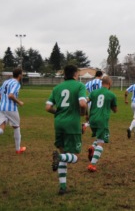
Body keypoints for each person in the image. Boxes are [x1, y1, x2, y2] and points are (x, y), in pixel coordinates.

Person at [46, 64, 87, 195]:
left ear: (64, 74)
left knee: (63, 156)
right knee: (74, 157)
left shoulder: (57, 87)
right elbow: (82, 103)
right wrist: (83, 112)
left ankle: (62, 187)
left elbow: (48, 107)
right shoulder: (80, 86)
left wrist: (58, 112)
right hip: (72, 124)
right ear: (75, 74)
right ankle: (59, 157)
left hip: (59, 123)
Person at [86, 76, 117, 172]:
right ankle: (92, 165)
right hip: (102, 119)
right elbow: (115, 110)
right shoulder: (111, 95)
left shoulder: (93, 92)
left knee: (99, 137)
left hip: (92, 119)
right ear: (109, 83)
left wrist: (86, 114)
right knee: (102, 141)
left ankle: (92, 147)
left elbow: (85, 101)